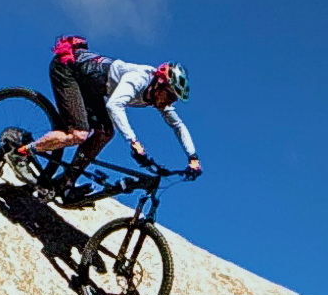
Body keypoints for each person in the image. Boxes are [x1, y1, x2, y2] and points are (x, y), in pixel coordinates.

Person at [27, 34, 199, 186]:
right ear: (160, 85)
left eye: (174, 99)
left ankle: (67, 181)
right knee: (79, 134)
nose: (170, 102)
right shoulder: (138, 78)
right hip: (67, 70)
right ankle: (23, 151)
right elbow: (114, 105)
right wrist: (133, 141)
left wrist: (193, 157)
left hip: (91, 86)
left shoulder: (157, 97)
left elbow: (178, 126)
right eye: (170, 96)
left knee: (106, 132)